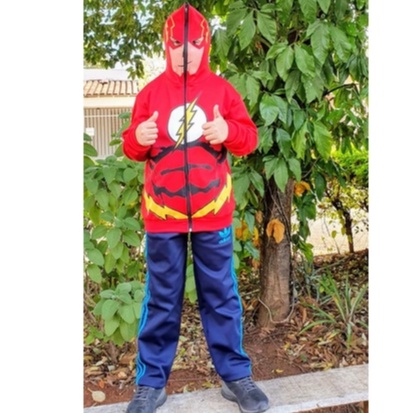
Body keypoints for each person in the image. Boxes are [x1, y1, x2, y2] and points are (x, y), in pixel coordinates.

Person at [122, 3, 270, 413]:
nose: (184, 51)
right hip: (162, 218)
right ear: (165, 45)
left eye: (193, 43)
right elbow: (132, 147)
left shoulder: (223, 91)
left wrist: (228, 130)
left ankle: (236, 377)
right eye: (175, 44)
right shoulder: (150, 94)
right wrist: (137, 137)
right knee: (161, 299)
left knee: (221, 295)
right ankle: (151, 383)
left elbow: (249, 139)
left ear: (205, 45)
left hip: (213, 215)